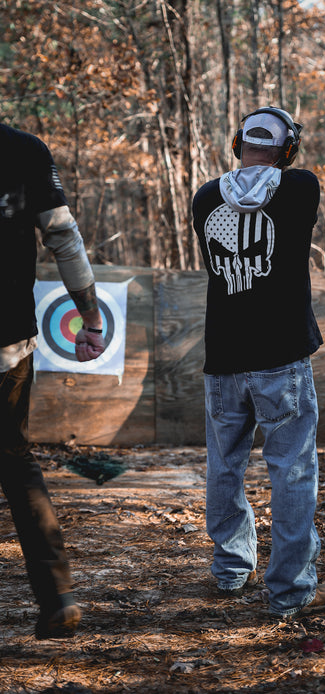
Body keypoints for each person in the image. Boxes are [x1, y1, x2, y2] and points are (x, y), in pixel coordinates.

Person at [192, 106, 325, 619]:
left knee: (224, 468)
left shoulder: (206, 197)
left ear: (237, 143)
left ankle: (232, 570)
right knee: (293, 472)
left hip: (224, 358)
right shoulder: (300, 188)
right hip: (282, 360)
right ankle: (291, 591)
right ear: (288, 150)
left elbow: (218, 266)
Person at [0, 122, 106, 639]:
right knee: (15, 461)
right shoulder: (24, 149)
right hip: (8, 341)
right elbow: (63, 235)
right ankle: (57, 595)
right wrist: (90, 315)